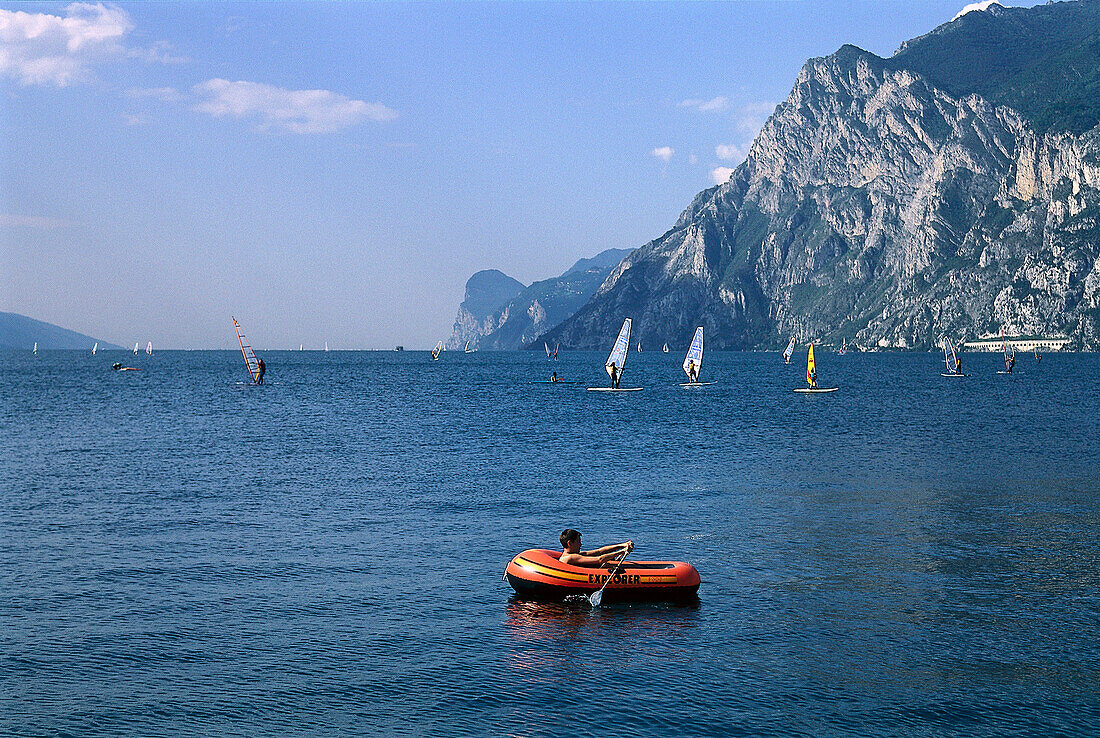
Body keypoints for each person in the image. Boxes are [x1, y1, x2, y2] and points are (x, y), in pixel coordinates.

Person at [558, 529, 633, 567]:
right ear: (570, 543)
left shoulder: (574, 554)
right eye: (578, 542)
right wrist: (622, 551)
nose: (581, 544)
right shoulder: (570, 558)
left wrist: (622, 545)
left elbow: (599, 551)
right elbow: (600, 559)